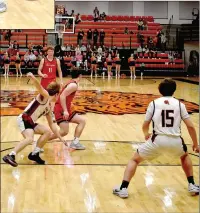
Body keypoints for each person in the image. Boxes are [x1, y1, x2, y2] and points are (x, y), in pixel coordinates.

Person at [113, 78, 200, 198]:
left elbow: (145, 125)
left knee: (134, 160)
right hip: (176, 141)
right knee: (184, 156)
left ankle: (123, 188)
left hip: (157, 140)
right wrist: (196, 144)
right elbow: (190, 126)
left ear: (160, 90)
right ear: (174, 90)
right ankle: (192, 185)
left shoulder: (154, 103)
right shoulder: (180, 104)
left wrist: (146, 134)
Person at [2, 73, 65, 167]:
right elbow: (39, 87)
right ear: (56, 94)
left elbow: (52, 125)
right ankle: (11, 155)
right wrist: (32, 77)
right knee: (30, 138)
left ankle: (34, 154)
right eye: (59, 95)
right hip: (23, 119)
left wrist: (61, 138)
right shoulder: (45, 96)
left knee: (47, 131)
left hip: (30, 122)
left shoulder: (48, 106)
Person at [49, 68, 86, 150]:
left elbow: (63, 95)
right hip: (61, 110)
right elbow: (62, 96)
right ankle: (43, 140)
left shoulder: (72, 82)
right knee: (64, 132)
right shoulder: (73, 85)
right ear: (80, 75)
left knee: (82, 121)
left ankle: (75, 142)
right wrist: (65, 110)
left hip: (65, 108)